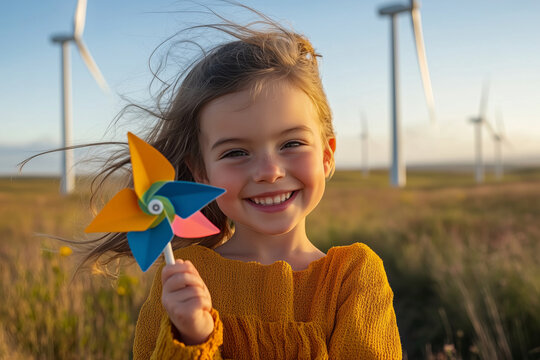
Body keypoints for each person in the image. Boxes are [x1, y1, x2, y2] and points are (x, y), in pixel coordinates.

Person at [84, 9, 401, 360]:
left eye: (291, 144)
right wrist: (191, 338)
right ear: (201, 173)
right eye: (236, 152)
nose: (268, 171)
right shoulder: (182, 279)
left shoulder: (353, 278)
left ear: (327, 156)